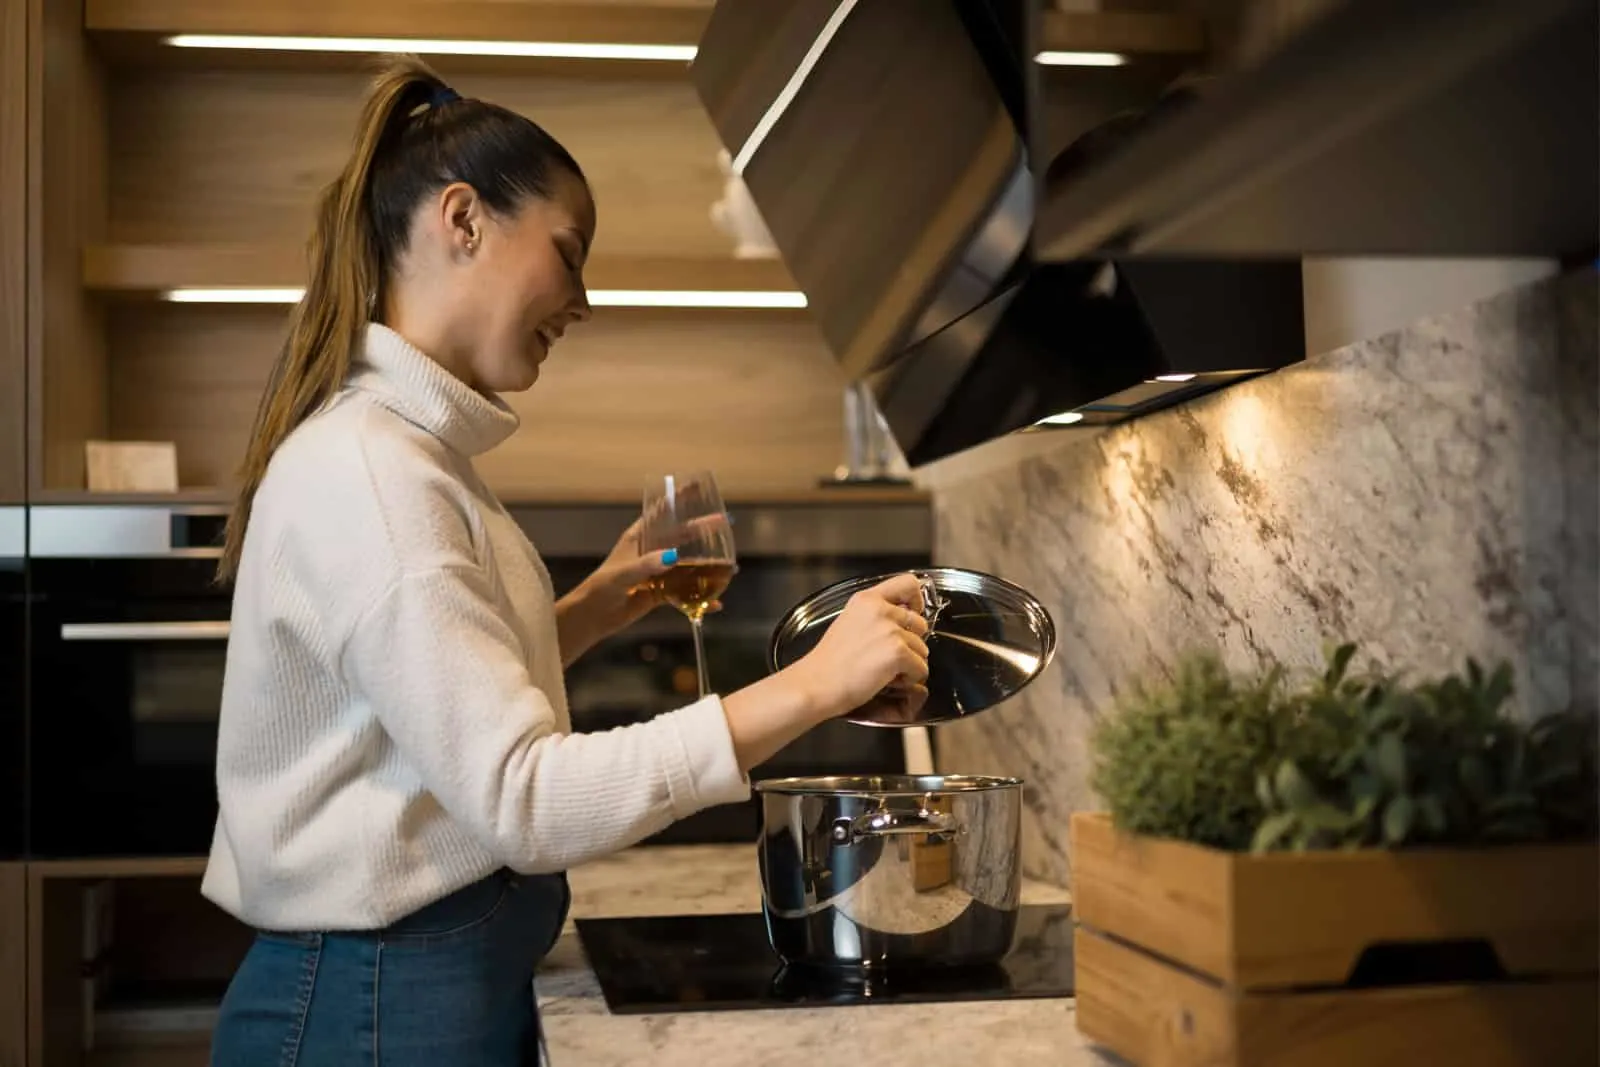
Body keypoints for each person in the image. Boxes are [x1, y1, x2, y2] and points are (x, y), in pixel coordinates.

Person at [203, 55, 931, 1067]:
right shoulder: (378, 474)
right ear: (463, 220)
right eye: (570, 251)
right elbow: (523, 798)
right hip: (373, 1008)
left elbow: (416, 712)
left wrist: (593, 605)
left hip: (402, 987)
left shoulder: (402, 455)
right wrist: (810, 688)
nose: (580, 299)